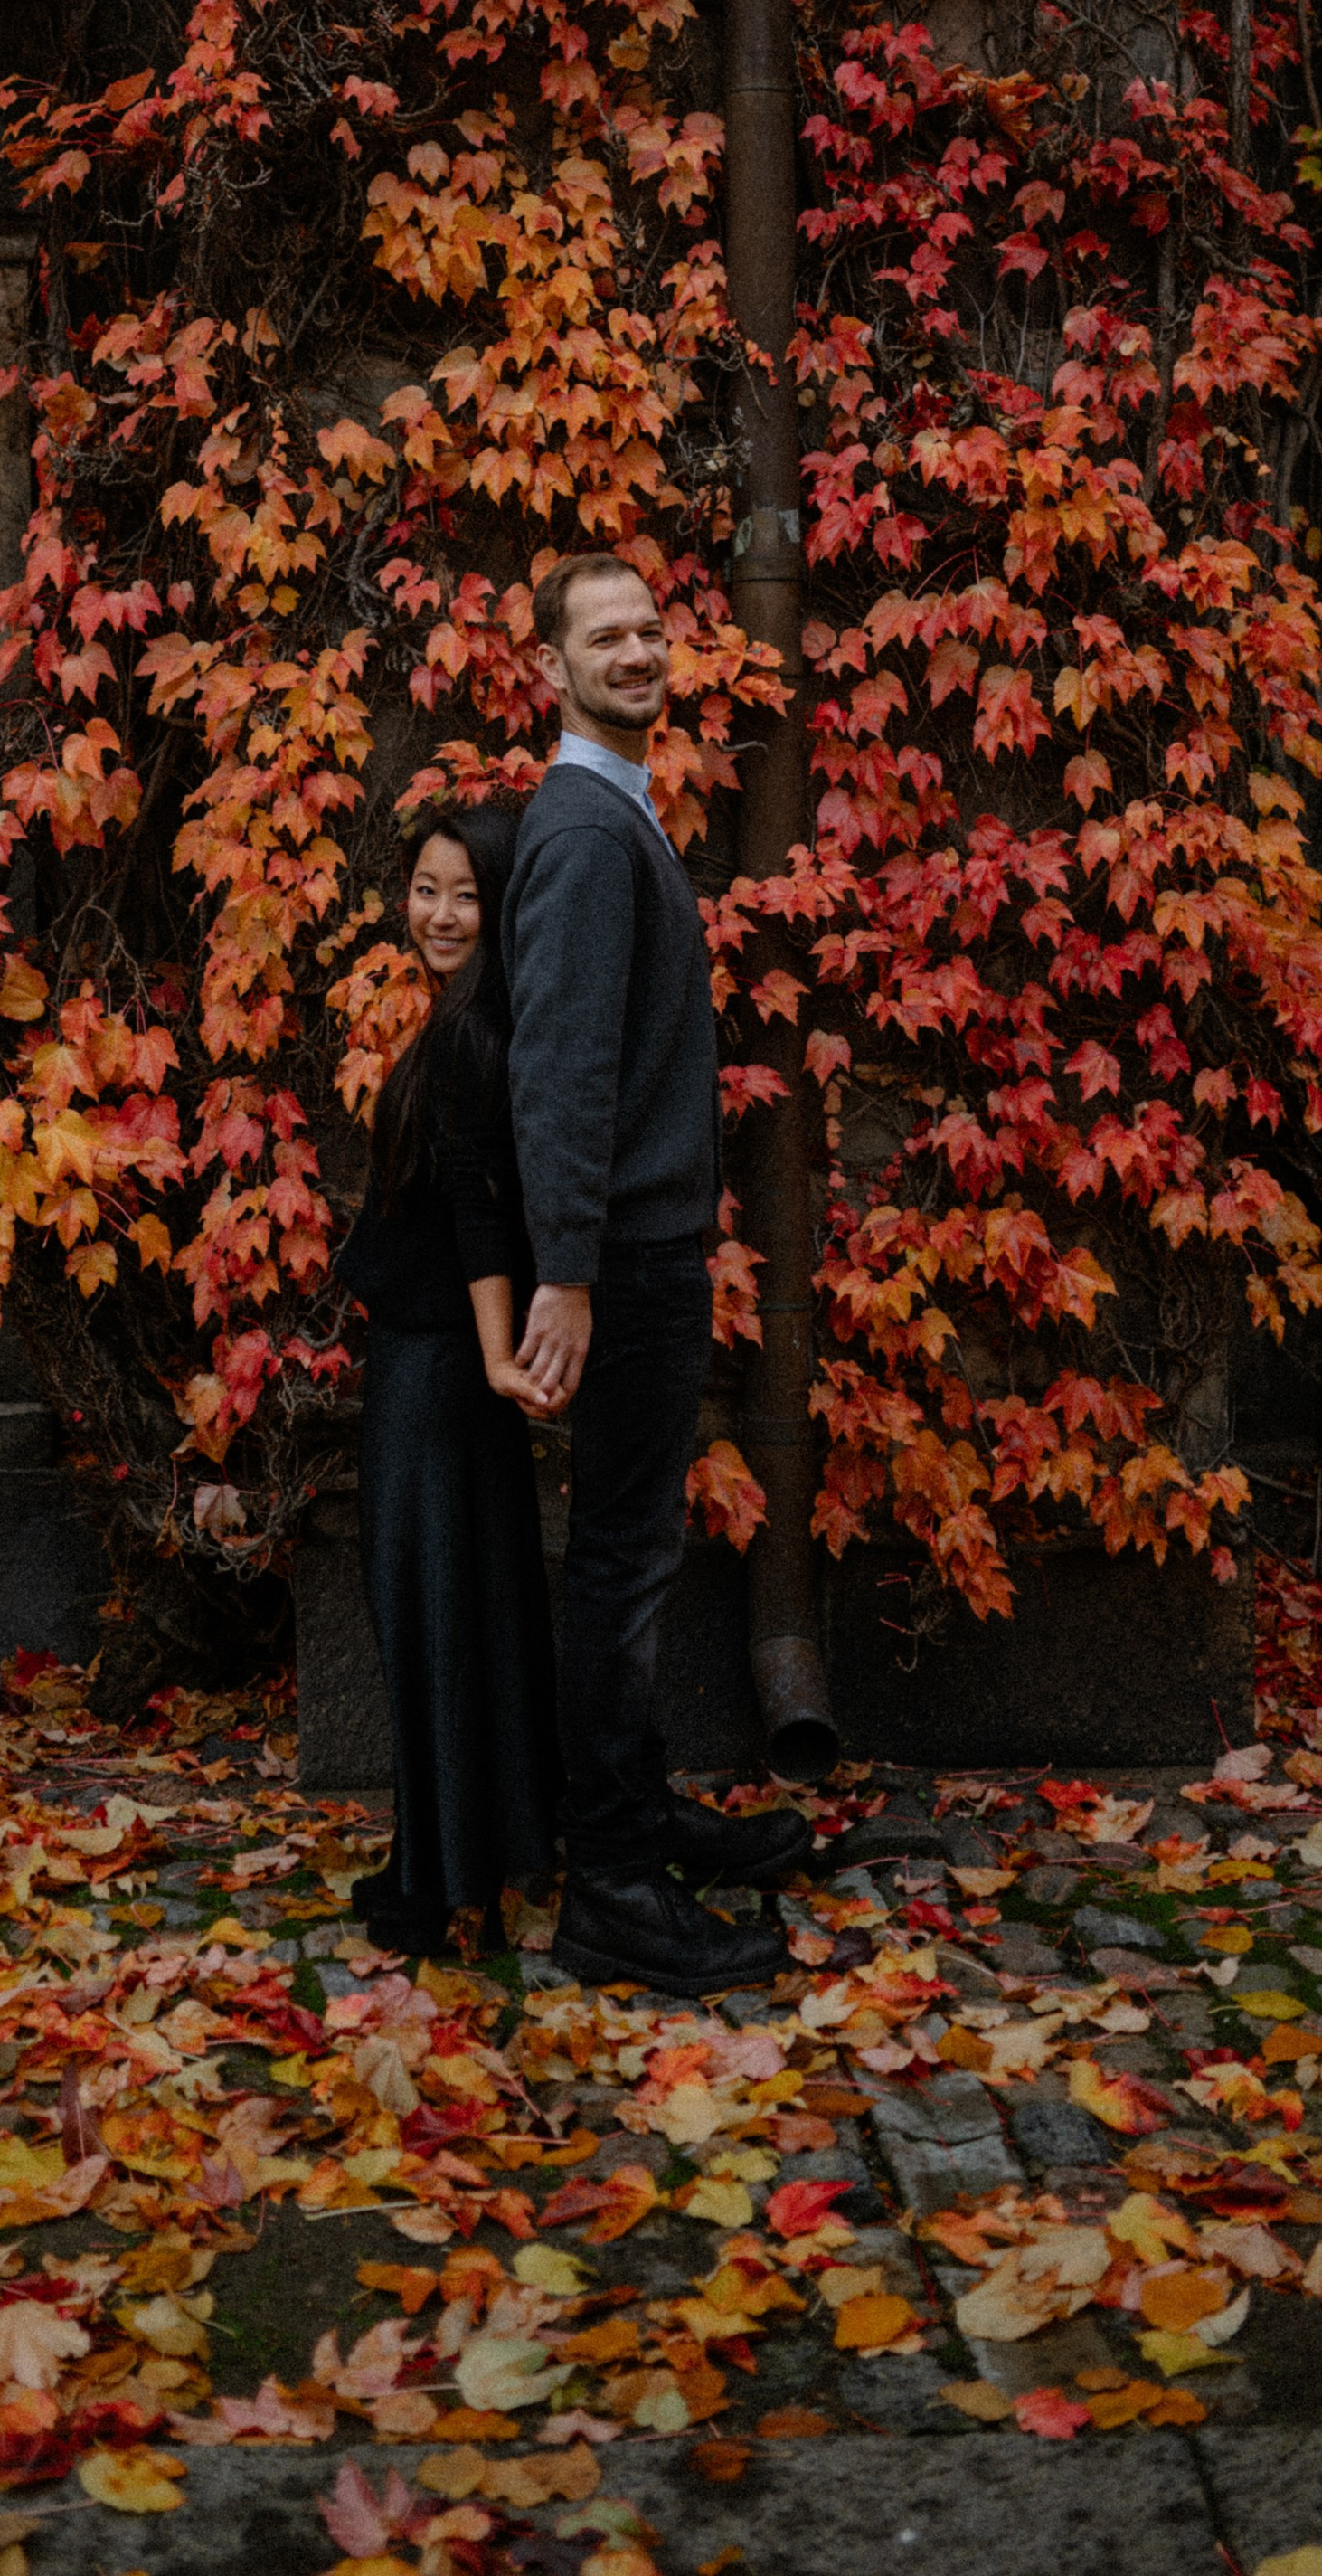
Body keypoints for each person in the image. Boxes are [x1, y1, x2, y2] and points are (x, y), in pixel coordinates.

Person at [503, 554, 810, 1996]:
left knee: (632, 1559)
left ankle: (633, 1821)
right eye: (601, 636)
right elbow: (558, 1075)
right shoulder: (581, 834)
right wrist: (565, 1272)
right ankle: (614, 1886)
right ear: (551, 668)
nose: (636, 651)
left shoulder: (612, 814)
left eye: (649, 629)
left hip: (635, 1252)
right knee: (619, 1570)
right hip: (617, 1264)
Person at [335, 804, 560, 1957]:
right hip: (437, 1365)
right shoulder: (469, 1016)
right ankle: (454, 1858)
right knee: (463, 1613)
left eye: (464, 893)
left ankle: (446, 1880)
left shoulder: (474, 1034)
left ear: (502, 906)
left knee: (431, 1618)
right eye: (424, 887)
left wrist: (489, 1354)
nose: (437, 912)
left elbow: (481, 1207)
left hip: (436, 1372)